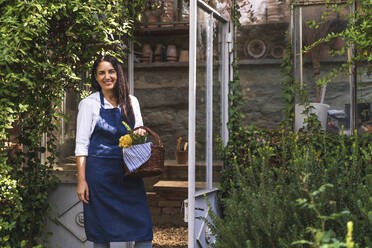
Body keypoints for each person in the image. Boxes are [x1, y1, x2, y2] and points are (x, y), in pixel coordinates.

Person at [75, 55, 152, 248]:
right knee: (101, 232)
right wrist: (82, 180)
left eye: (111, 71)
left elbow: (139, 133)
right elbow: (82, 144)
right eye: (101, 73)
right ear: (95, 77)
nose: (106, 76)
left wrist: (139, 133)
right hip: (100, 177)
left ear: (118, 73)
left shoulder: (132, 102)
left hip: (129, 173)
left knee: (143, 230)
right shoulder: (89, 104)